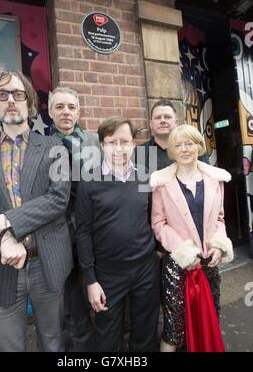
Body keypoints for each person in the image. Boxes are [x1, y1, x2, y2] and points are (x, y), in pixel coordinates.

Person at [0, 69, 73, 352]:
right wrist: (4, 236)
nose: (10, 100)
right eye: (2, 94)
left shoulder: (54, 146)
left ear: (29, 102)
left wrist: (3, 220)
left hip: (48, 263)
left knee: (53, 343)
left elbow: (58, 199)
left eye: (18, 94)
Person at [75, 116, 160, 352]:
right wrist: (91, 279)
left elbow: (153, 216)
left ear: (133, 144)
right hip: (108, 274)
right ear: (102, 145)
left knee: (145, 330)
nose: (119, 148)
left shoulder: (145, 177)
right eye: (112, 142)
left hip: (145, 268)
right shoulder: (89, 181)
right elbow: (82, 233)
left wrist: (158, 250)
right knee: (108, 336)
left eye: (125, 141)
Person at [150, 124, 234, 352]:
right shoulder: (161, 183)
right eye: (178, 145)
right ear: (172, 151)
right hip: (177, 266)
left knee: (208, 320)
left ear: (199, 145)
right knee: (174, 329)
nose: (185, 149)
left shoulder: (215, 179)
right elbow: (158, 224)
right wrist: (184, 252)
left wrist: (219, 245)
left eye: (190, 143)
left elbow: (219, 218)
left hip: (209, 264)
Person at [48, 86, 99, 352]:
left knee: (99, 282)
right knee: (70, 292)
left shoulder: (95, 141)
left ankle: (107, 340)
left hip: (95, 227)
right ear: (50, 111)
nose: (66, 112)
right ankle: (82, 347)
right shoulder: (42, 145)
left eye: (71, 107)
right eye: (60, 107)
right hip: (61, 231)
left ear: (78, 111)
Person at [137, 98, 209, 173]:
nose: (163, 120)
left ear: (176, 122)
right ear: (151, 124)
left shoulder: (194, 147)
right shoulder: (140, 152)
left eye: (167, 117)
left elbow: (208, 178)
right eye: (158, 118)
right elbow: (135, 183)